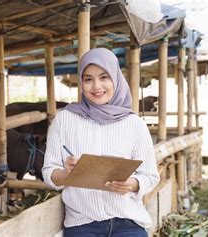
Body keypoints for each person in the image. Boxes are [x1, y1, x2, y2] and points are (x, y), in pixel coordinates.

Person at [42, 48, 160, 237]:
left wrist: (133, 184)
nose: (96, 86)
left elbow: (150, 175)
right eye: (88, 79)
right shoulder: (64, 120)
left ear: (116, 78)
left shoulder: (134, 124)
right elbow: (49, 171)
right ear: (81, 81)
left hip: (128, 224)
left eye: (104, 77)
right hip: (82, 225)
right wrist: (66, 174)